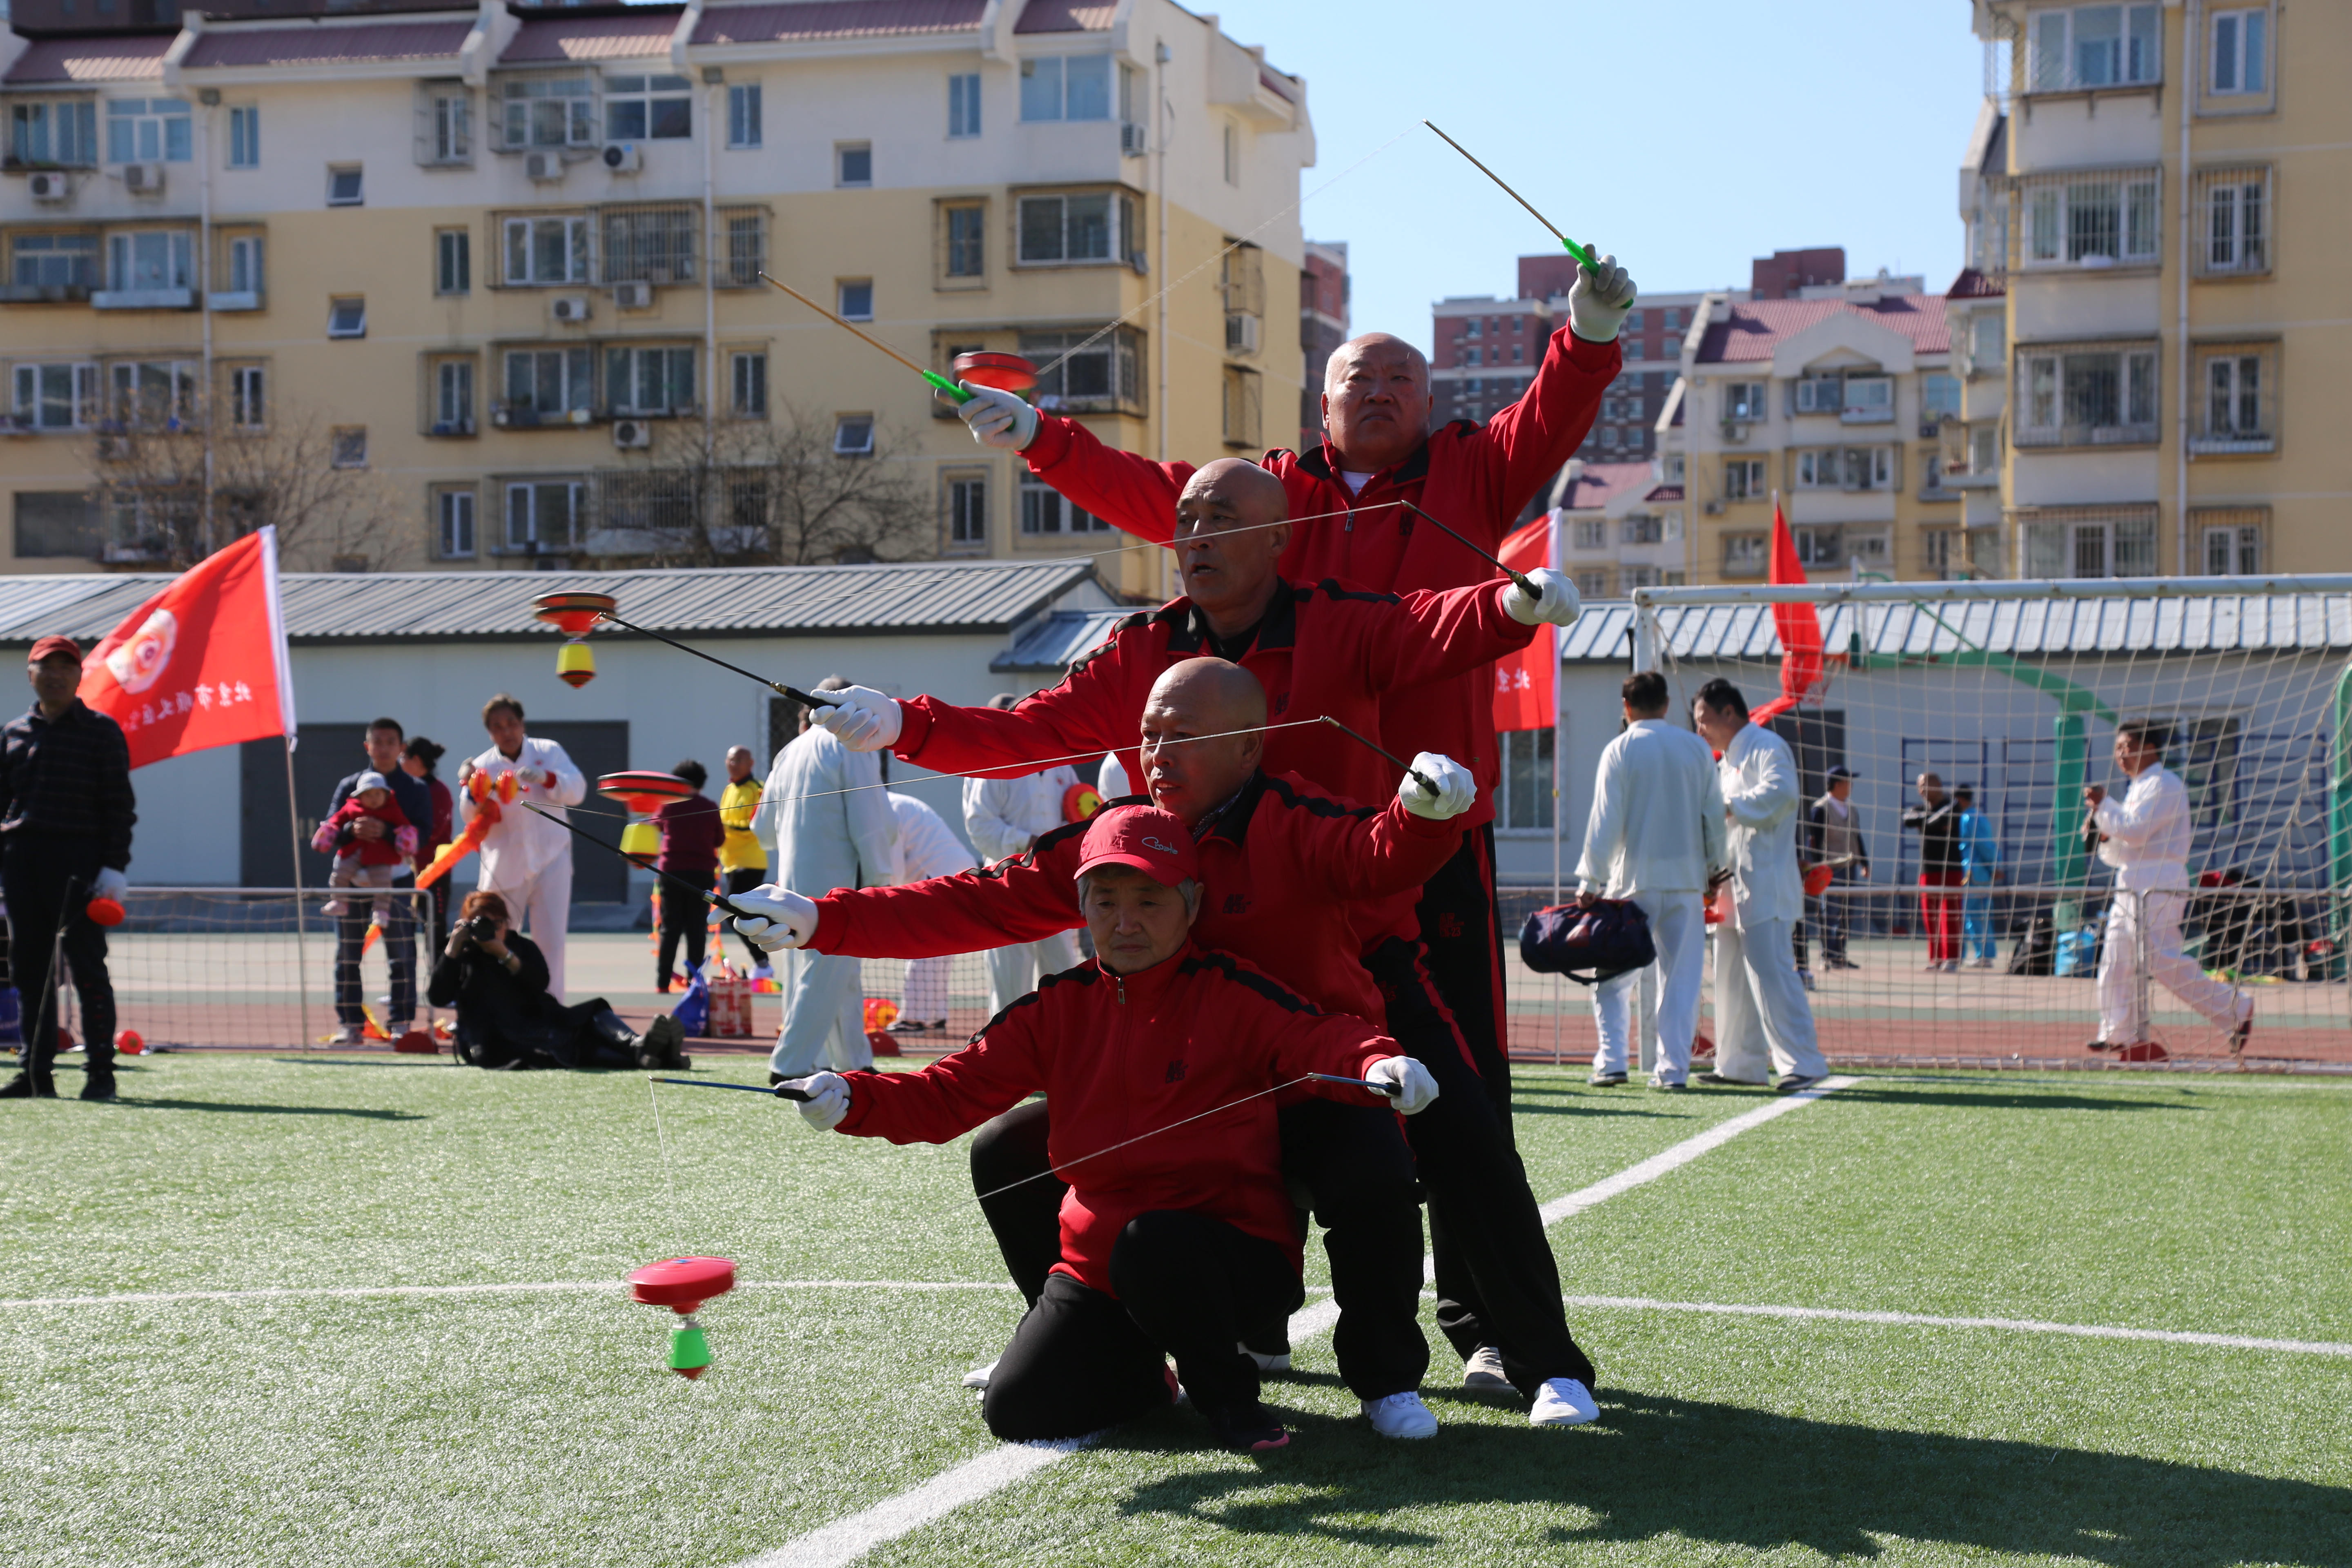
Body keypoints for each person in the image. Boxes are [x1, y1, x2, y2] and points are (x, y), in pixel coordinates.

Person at [739, 659, 1606, 1432]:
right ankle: (1104, 1341)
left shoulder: (1294, 816)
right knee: (1010, 1152)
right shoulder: (1119, 837)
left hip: (1312, 1071)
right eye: (1150, 736)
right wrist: (819, 920)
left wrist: (1425, 816)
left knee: (1383, 1165)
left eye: (1182, 737)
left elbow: (1376, 852)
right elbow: (979, 900)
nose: (1158, 754)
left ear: (1249, 747)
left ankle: (1394, 1379)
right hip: (1183, 1090)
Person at [950, 262, 1637, 1138]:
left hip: (1435, 818)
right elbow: (1151, 492)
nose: (1381, 393)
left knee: (1460, 1060)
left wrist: (1589, 333)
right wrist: (1040, 437)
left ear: (1431, 403)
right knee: (1267, 1045)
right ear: (1324, 407)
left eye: (1402, 380)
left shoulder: (1476, 469)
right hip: (1284, 830)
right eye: (1360, 379)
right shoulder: (1269, 492)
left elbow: (1552, 411)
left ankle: (1469, 1265)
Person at [808, 457, 1578, 1123]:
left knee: (1461, 1137)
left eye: (1222, 517)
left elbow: (1429, 622)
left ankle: (1472, 1300)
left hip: (1355, 941)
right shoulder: (1138, 650)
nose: (1196, 535)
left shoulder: (1339, 623)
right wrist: (899, 727)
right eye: (1185, 519)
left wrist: (1512, 606)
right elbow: (1026, 743)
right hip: (1187, 953)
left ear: (1281, 537)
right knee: (1085, 1153)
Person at [778, 804, 1442, 1452]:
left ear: (1192, 902)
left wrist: (1378, 1064)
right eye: (1105, 901)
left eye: (1149, 901)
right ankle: (1145, 1378)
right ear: (1083, 910)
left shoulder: (1232, 992)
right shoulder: (1056, 1008)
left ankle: (1230, 1401)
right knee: (1019, 1409)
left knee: (1152, 1241)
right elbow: (947, 1093)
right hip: (1098, 1269)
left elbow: (1317, 1038)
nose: (1125, 922)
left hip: (1234, 1265)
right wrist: (849, 1098)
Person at [1574, 671, 1726, 1091]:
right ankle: (1673, 1071)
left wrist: (1591, 878)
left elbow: (1604, 821)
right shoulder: (1696, 748)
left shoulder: (1620, 749)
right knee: (1681, 980)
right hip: (1685, 883)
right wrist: (1717, 868)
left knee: (1612, 978)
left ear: (1626, 708)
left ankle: (1613, 1062)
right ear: (1666, 705)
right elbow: (1713, 816)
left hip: (1632, 883)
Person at [0, 635, 134, 1101]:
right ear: (30, 674)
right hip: (21, 862)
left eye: (65, 667)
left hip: (79, 864)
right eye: (45, 666)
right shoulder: (13, 732)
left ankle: (101, 1074)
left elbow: (120, 807)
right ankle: (34, 1075)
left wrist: (114, 868)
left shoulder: (101, 731)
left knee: (88, 969)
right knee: (29, 971)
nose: (55, 674)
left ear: (80, 675)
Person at [751, 677, 897, 1080]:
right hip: (838, 880)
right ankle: (790, 1065)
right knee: (827, 970)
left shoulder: (787, 753)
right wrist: (883, 881)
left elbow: (762, 831)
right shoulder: (849, 744)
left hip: (792, 878)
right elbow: (869, 820)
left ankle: (854, 1061)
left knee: (833, 972)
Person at [1692, 680, 1830, 1094]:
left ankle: (1804, 1062)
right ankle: (1740, 1064)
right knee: (1731, 978)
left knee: (1772, 974)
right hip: (1730, 886)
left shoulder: (1767, 747)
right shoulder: (1725, 762)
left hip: (1765, 884)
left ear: (1729, 713)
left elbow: (1783, 793)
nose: (1700, 731)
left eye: (1704, 721)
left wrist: (1732, 808)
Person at [2084, 722, 2254, 1053]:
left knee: (2162, 959)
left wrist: (2105, 807)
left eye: (2127, 746)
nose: (2120, 754)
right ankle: (2118, 1032)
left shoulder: (2164, 783)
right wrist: (2104, 834)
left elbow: (2136, 830)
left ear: (2150, 747)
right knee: (2115, 957)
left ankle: (2235, 1008)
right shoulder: (2137, 788)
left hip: (2160, 880)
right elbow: (2123, 850)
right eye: (2117, 748)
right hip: (2132, 880)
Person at [430, 890, 686, 1071]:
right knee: (568, 1048)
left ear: (507, 923)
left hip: (538, 1020)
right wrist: (453, 949)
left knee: (593, 1013)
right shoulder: (461, 953)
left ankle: (640, 1046)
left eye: (497, 923)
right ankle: (661, 1056)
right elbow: (438, 996)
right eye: (483, 924)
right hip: (494, 1037)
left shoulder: (520, 947)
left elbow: (540, 983)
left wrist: (506, 956)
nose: (492, 931)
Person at [456, 695, 586, 1000]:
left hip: (552, 858)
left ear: (522, 723)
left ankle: (552, 1008)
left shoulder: (548, 751)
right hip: (504, 866)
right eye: (498, 727)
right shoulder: (482, 766)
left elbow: (577, 789)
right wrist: (475, 790)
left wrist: (548, 778)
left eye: (512, 723)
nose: (507, 732)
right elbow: (468, 815)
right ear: (490, 732)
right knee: (497, 938)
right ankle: (501, 1005)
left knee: (551, 942)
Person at [961, 693, 1082, 1015]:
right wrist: (1028, 841)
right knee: (1010, 981)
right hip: (1005, 882)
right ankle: (1004, 1057)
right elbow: (980, 828)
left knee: (1063, 971)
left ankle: (1066, 1047)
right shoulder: (987, 763)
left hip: (1052, 881)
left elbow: (1076, 809)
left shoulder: (1058, 761)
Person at [324, 718, 434, 1046]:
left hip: (395, 882)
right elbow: (331, 826)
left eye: (391, 742)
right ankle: (351, 1024)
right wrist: (351, 832)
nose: (384, 748)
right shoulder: (349, 785)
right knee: (348, 955)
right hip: (352, 883)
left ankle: (400, 1022)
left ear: (401, 748)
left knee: (401, 953)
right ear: (367, 746)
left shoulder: (416, 789)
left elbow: (424, 833)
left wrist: (386, 833)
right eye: (378, 741)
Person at [885, 788, 976, 1033]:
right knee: (938, 950)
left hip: (943, 877)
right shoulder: (897, 805)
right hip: (959, 873)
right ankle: (934, 1017)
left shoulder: (885, 810)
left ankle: (915, 1019)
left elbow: (889, 871)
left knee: (923, 945)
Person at [653, 760, 727, 991]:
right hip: (702, 872)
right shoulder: (709, 806)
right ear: (702, 783)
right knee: (696, 928)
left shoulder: (669, 805)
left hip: (672, 871)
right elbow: (720, 840)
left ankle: (663, 982)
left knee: (670, 927)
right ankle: (695, 981)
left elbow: (654, 825)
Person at [312, 771, 417, 919]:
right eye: (368, 795)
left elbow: (404, 827)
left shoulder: (392, 809)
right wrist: (329, 832)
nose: (373, 799)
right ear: (359, 797)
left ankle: (381, 911)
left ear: (386, 795)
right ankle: (339, 901)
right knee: (340, 871)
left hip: (380, 854)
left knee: (383, 881)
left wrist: (403, 839)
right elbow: (336, 821)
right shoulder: (351, 807)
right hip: (354, 851)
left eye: (377, 794)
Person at [1801, 765, 1868, 972]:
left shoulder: (1852, 808)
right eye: (1848, 781)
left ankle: (1840, 954)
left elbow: (1857, 836)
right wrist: (1819, 868)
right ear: (1838, 784)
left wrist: (1864, 862)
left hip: (1850, 867)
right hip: (1829, 869)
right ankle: (1827, 955)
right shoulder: (1821, 808)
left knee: (1847, 913)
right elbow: (1816, 841)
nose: (1851, 786)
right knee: (1828, 912)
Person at [716, 745, 770, 977]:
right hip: (730, 862)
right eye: (730, 760)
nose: (733, 764)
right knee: (744, 915)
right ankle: (764, 963)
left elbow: (755, 825)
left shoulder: (757, 790)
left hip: (750, 862)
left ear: (751, 764)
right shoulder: (729, 789)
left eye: (739, 760)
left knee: (734, 914)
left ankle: (763, 963)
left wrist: (722, 828)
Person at [1902, 772, 1963, 973]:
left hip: (1951, 869)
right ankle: (1936, 958)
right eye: (1919, 787)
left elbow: (1933, 822)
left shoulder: (1953, 806)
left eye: (1925, 785)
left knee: (1950, 915)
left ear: (1937, 785)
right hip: (1928, 870)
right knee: (1931, 917)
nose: (1921, 790)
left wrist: (1926, 821)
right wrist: (1927, 819)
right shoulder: (1920, 809)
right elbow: (1907, 819)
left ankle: (1952, 959)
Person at [402, 737, 454, 942]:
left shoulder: (439, 791)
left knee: (435, 928)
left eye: (403, 756)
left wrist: (401, 841)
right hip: (405, 870)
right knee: (403, 928)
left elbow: (431, 831)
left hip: (434, 871)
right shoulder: (404, 789)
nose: (399, 761)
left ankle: (437, 973)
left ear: (415, 759)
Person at [1956, 784, 2001, 968]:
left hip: (1974, 872)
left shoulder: (1969, 818)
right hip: (1982, 871)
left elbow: (1983, 845)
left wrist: (1994, 866)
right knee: (1982, 915)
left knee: (1972, 915)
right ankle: (1985, 954)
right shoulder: (1978, 816)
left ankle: (1982, 955)